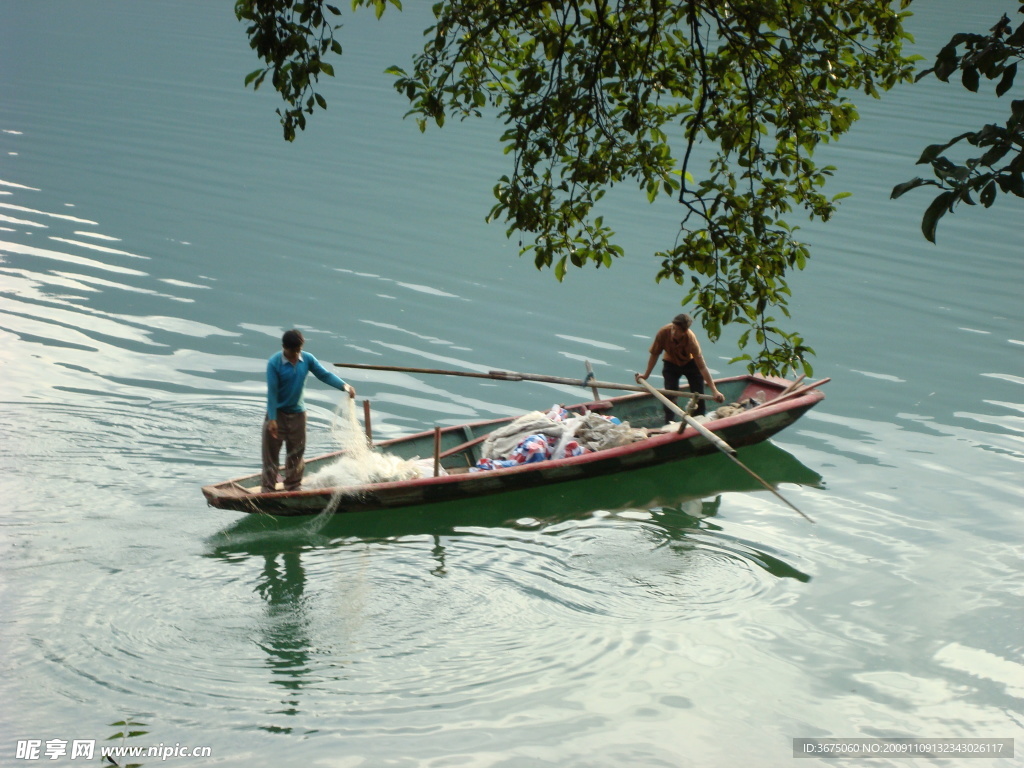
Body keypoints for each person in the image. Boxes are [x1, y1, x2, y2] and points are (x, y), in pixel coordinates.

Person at [261, 329, 355, 493]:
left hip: (298, 414)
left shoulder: (307, 359)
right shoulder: (274, 363)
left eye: (298, 351)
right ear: (284, 347)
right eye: (292, 352)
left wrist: (343, 386)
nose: (296, 355)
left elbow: (324, 375)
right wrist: (273, 419)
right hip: (277, 414)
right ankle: (268, 489)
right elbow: (272, 392)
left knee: (296, 453)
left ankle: (293, 486)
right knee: (271, 455)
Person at [639, 313, 725, 421]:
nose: (673, 332)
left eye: (677, 330)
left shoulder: (691, 340)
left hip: (690, 363)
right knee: (670, 395)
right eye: (673, 328)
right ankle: (669, 422)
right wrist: (646, 375)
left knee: (698, 395)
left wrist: (714, 391)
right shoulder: (663, 333)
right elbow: (654, 354)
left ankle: (698, 420)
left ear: (684, 332)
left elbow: (702, 367)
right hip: (670, 363)